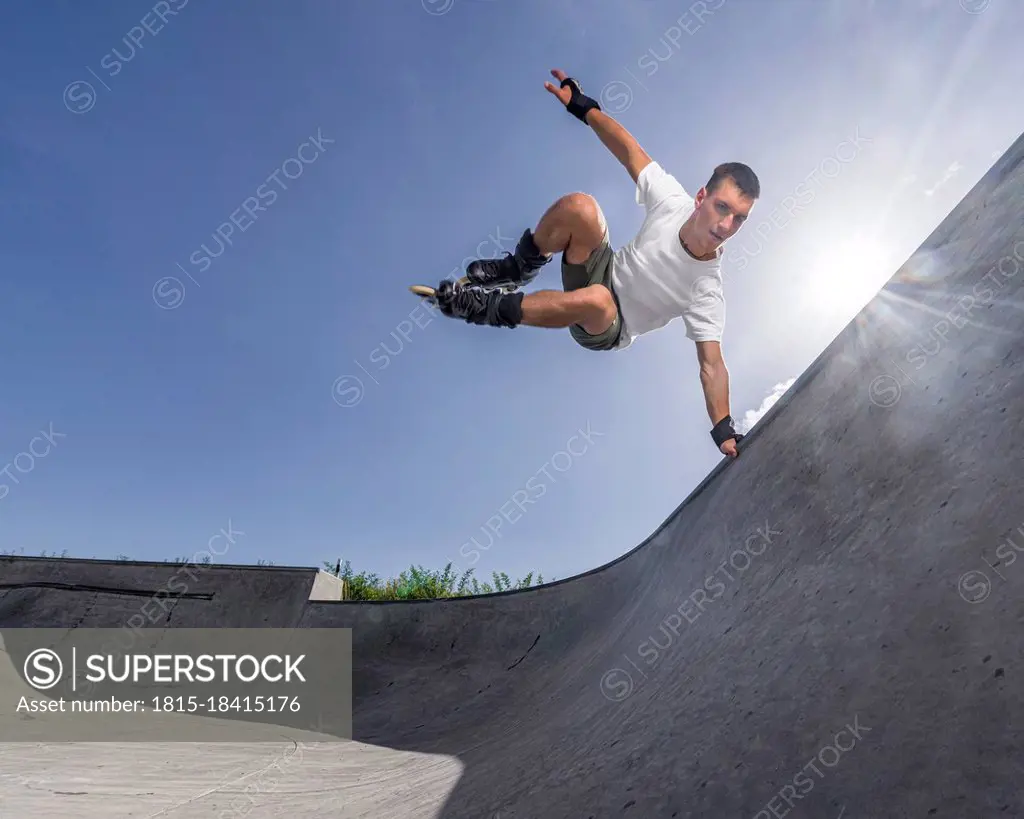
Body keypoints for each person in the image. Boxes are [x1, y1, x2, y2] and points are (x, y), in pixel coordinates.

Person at [431, 69, 759, 459]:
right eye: (722, 208)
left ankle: (484, 308)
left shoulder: (707, 288)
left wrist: (723, 429)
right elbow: (628, 150)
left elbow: (712, 366)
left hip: (608, 327)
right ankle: (519, 267)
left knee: (600, 300)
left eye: (739, 218)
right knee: (581, 207)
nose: (726, 226)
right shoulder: (672, 201)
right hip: (600, 269)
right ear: (701, 197)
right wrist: (584, 108)